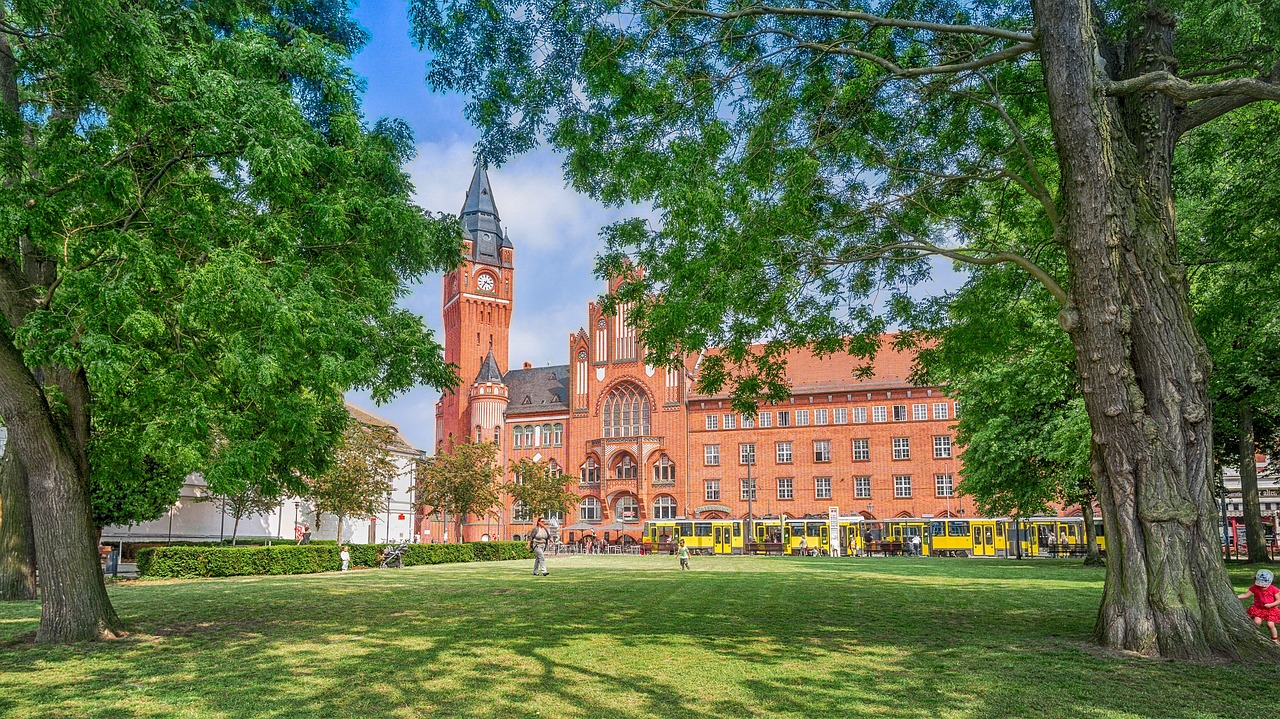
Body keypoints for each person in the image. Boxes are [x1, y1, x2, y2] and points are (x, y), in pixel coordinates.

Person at [1238, 569, 1280, 642]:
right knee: (1256, 622)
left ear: (1270, 582)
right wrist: (1237, 597)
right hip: (1258, 609)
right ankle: (1253, 635)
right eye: (1261, 584)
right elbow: (1245, 595)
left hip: (1271, 610)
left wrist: (1271, 605)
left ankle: (1275, 639)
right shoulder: (1254, 587)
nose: (1263, 586)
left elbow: (1278, 600)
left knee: (1270, 624)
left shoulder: (1274, 589)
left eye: (1265, 585)